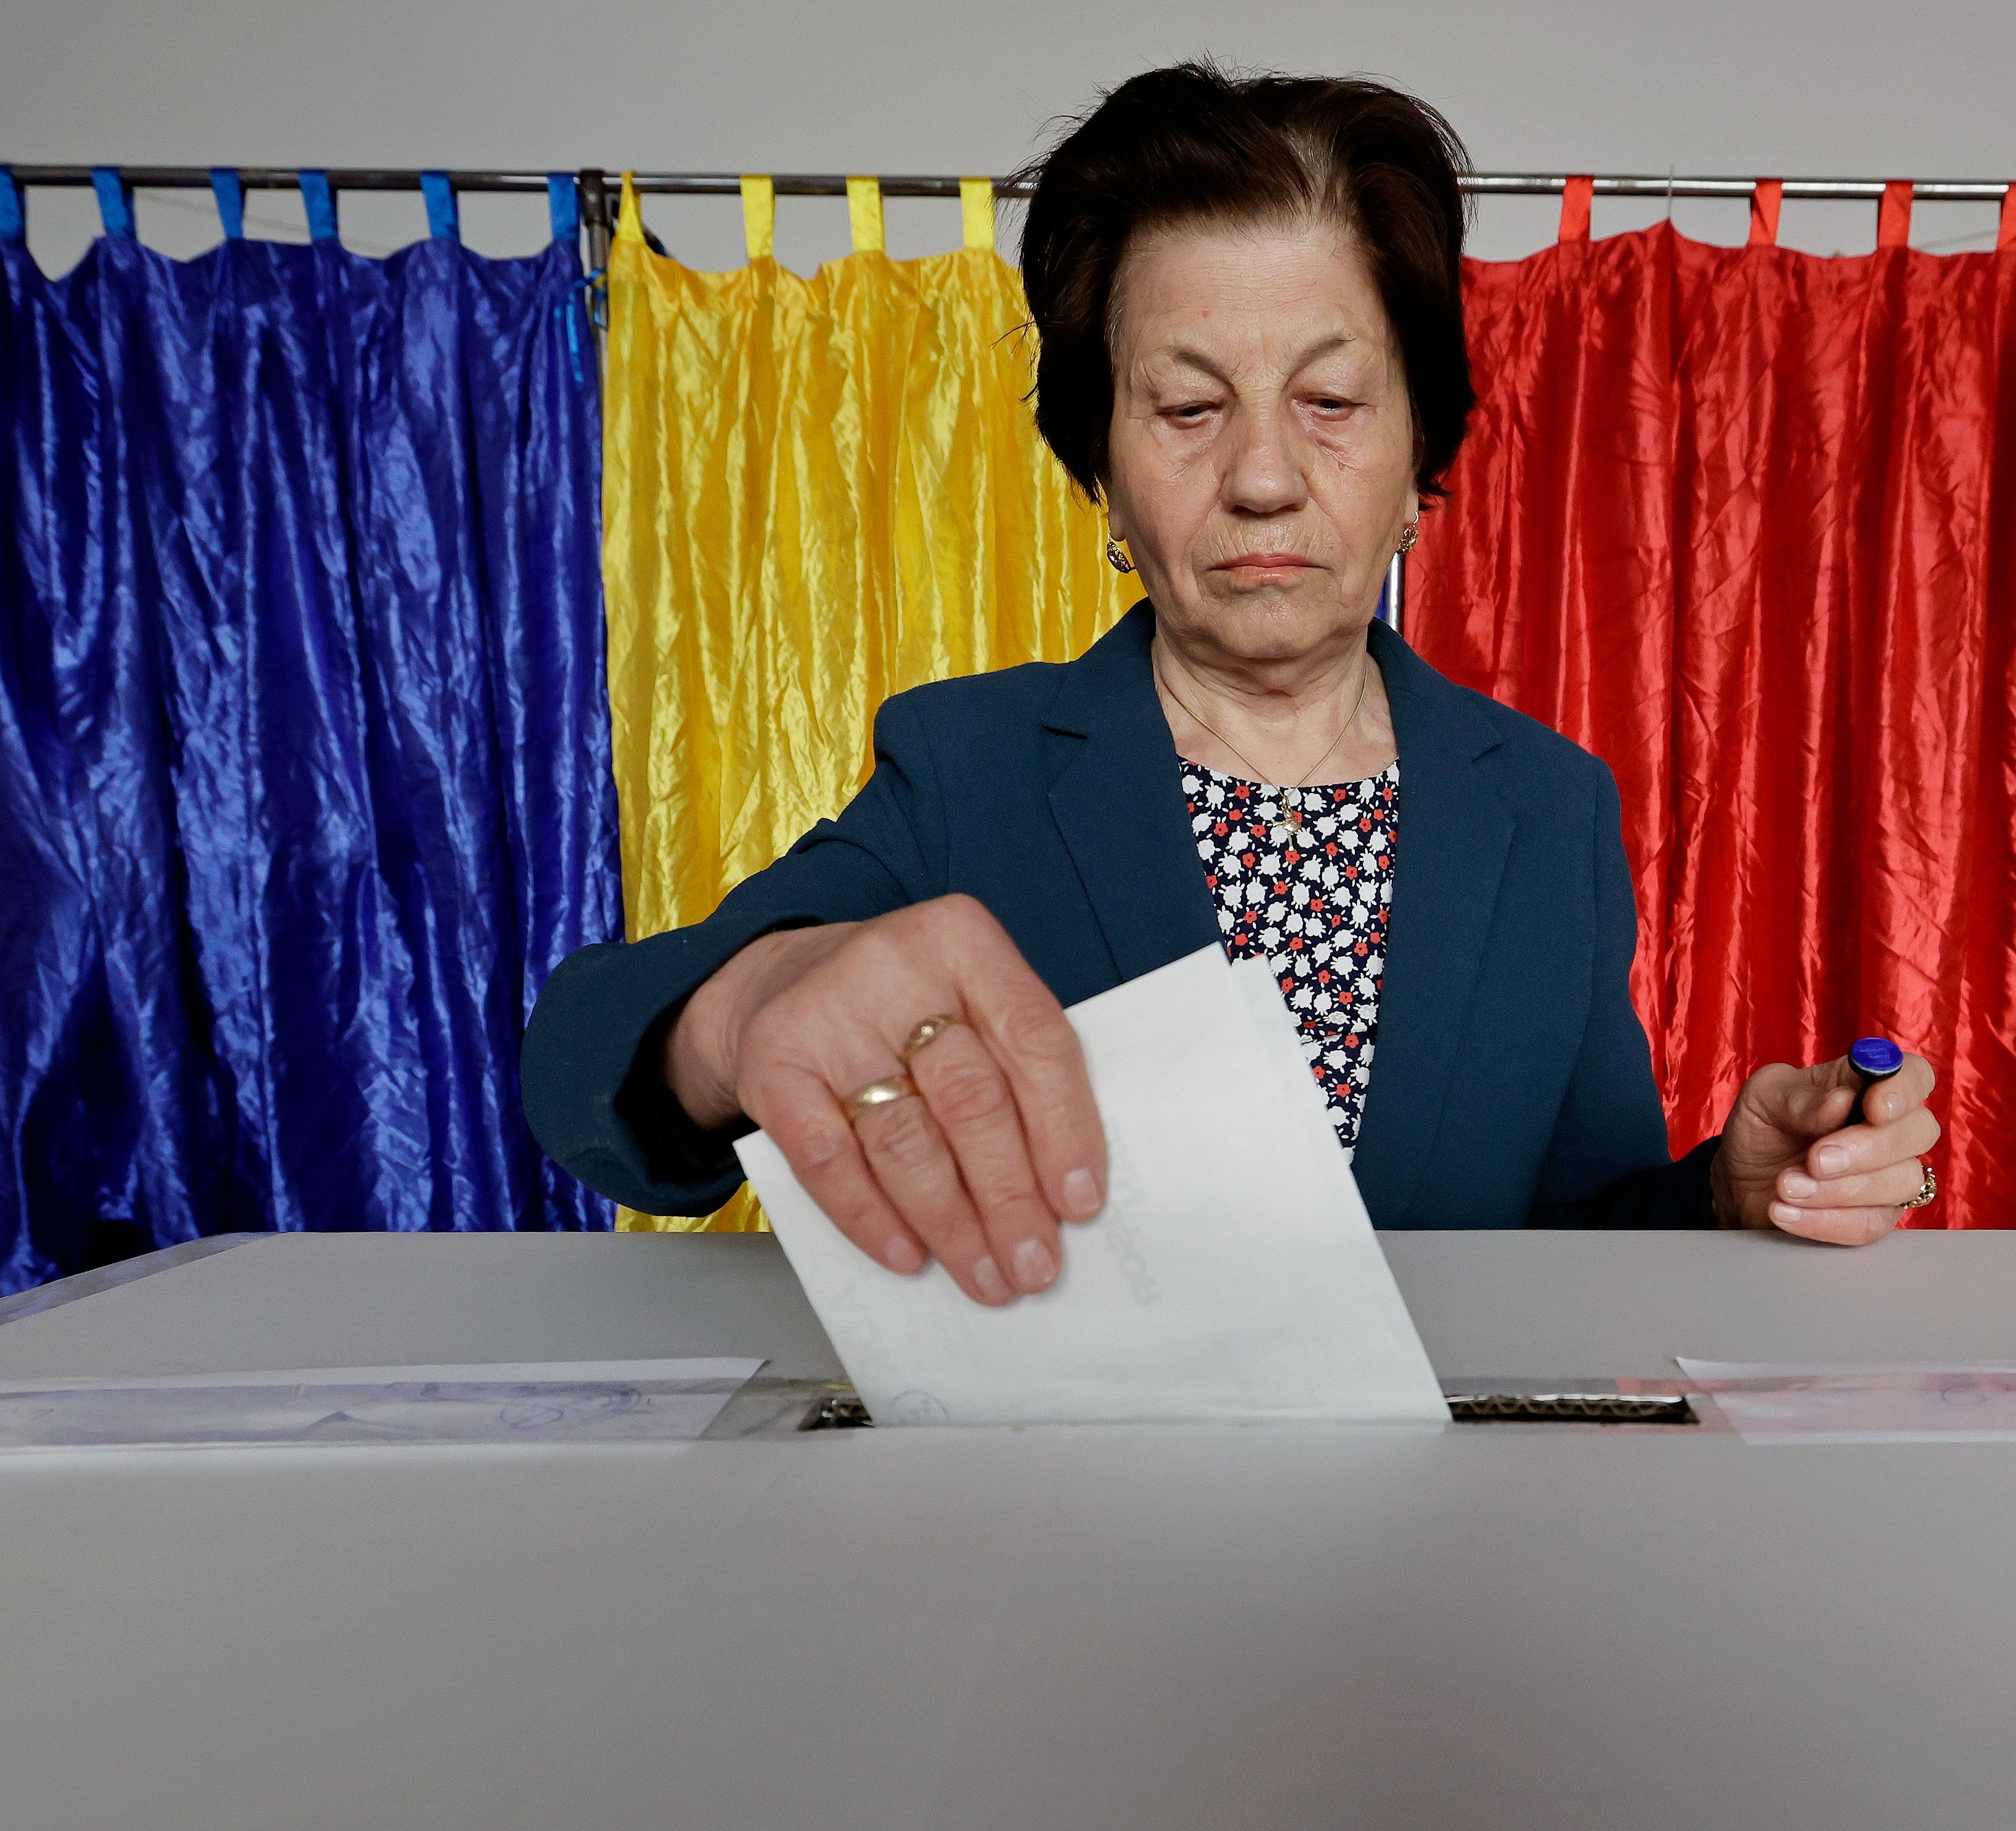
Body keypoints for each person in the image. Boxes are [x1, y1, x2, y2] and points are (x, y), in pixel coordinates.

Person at [521, 65, 1943, 1306]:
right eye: (1189, 406)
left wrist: (1727, 1194)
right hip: (1069, 1514)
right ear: (1101, 463)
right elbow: (579, 1059)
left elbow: (1575, 1245)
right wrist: (746, 1000)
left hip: (1445, 1522)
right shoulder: (968, 764)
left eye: (1329, 401)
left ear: (1420, 451)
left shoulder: (1547, 805)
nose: (1263, 475)